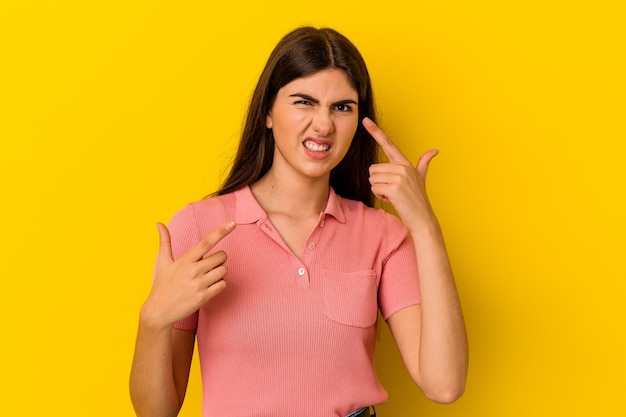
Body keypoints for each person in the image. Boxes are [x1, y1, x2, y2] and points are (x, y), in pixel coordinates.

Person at [130, 26, 468, 417]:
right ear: (268, 113)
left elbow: (444, 383)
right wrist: (152, 321)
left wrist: (425, 226)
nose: (324, 124)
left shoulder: (382, 235)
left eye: (342, 107)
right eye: (304, 102)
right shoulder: (199, 229)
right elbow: (156, 413)